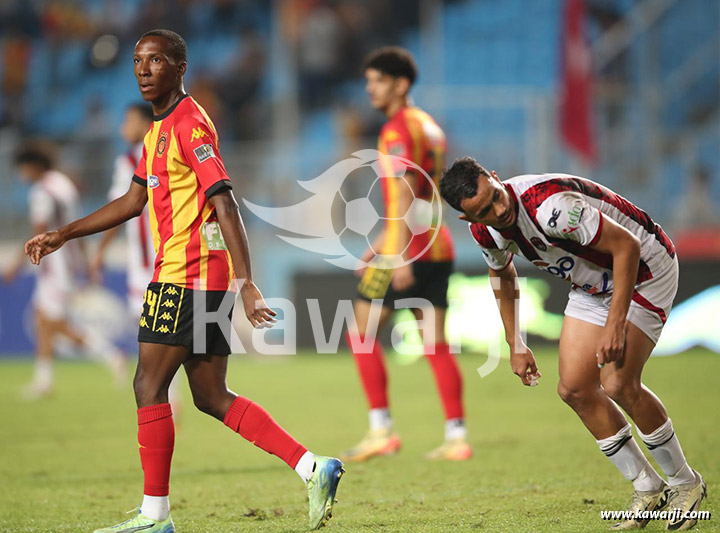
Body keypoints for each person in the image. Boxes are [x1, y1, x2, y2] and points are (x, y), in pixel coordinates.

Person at [25, 29, 343, 533]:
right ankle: (313, 467)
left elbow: (225, 200)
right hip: (195, 275)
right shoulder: (157, 132)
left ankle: (155, 516)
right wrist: (64, 234)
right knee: (211, 395)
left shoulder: (190, 124)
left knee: (148, 384)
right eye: (137, 61)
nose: (142, 69)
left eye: (155, 61)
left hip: (186, 273)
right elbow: (133, 203)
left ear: (179, 67)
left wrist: (247, 280)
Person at [440, 157, 706, 531]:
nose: (498, 210)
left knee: (616, 383)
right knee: (575, 389)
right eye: (484, 211)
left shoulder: (552, 208)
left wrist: (616, 324)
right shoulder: (486, 230)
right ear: (468, 219)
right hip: (594, 282)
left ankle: (686, 483)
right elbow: (502, 275)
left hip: (645, 268)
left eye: (496, 196)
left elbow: (627, 247)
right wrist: (515, 342)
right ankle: (647, 486)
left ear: (495, 178)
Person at [342, 47, 469, 463]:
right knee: (436, 344)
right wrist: (382, 242)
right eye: (368, 81)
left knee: (360, 333)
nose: (370, 88)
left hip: (408, 250)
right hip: (436, 245)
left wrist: (394, 253)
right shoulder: (429, 126)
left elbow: (404, 192)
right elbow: (424, 196)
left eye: (377, 80)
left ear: (400, 84)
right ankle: (457, 436)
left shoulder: (396, 130)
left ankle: (381, 430)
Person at [4, 145, 125, 398]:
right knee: (42, 319)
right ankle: (44, 380)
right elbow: (76, 227)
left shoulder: (42, 191)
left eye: (22, 169)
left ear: (33, 166)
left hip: (54, 266)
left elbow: (37, 232)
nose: (21, 175)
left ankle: (111, 356)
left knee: (56, 324)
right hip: (66, 262)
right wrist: (85, 262)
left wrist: (15, 265)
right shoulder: (63, 184)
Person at [90, 103, 182, 416]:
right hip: (164, 257)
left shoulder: (130, 159)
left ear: (145, 124)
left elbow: (121, 207)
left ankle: (166, 401)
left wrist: (99, 251)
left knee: (156, 335)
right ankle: (168, 398)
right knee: (160, 332)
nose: (122, 127)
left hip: (152, 261)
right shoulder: (167, 152)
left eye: (127, 120)